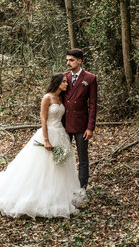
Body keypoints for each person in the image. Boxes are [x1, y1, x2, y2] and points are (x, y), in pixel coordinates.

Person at [0, 73, 86, 218]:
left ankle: (60, 195)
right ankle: (39, 196)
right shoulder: (47, 98)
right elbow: (43, 119)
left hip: (60, 134)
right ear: (57, 82)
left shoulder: (61, 98)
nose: (66, 84)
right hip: (49, 133)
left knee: (60, 166)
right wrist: (46, 140)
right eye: (64, 82)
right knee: (42, 167)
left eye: (66, 82)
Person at [63, 48, 97, 189]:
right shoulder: (63, 76)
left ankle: (81, 187)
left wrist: (90, 127)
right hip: (64, 123)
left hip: (81, 124)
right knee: (63, 156)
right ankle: (64, 186)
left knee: (83, 158)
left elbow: (93, 105)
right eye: (67, 60)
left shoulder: (90, 78)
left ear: (79, 61)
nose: (68, 63)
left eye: (71, 60)